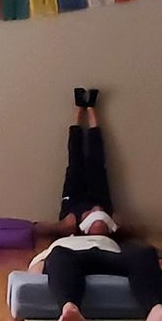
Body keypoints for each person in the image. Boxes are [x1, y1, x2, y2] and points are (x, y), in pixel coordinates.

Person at [30, 231, 162, 321]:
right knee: (58, 255)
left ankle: (156, 312)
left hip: (110, 255)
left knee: (145, 252)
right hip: (71, 256)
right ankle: (70, 310)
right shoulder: (59, 243)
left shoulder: (109, 239)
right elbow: (35, 271)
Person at [44, 87, 119, 238]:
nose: (97, 209)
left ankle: (79, 108)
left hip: (74, 197)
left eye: (94, 213)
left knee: (75, 158)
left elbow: (44, 229)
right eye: (100, 213)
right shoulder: (104, 211)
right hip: (98, 195)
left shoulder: (70, 222)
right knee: (96, 159)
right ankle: (90, 108)